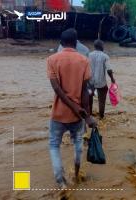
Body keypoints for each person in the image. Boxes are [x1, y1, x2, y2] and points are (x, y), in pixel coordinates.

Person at [47, 28, 96, 188]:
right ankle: (76, 175)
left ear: (61, 43)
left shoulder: (52, 59)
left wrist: (73, 107)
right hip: (77, 116)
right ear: (76, 43)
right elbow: (85, 91)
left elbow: (57, 89)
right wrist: (86, 114)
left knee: (54, 145)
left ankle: (60, 179)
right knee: (78, 145)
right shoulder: (83, 61)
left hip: (58, 114)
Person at [88, 39, 115, 119]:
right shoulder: (105, 56)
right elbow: (109, 70)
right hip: (101, 82)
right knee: (101, 100)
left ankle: (89, 115)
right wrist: (112, 79)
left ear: (95, 46)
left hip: (90, 81)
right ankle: (101, 116)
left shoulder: (89, 55)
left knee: (89, 98)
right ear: (101, 46)